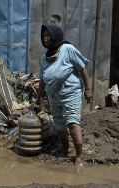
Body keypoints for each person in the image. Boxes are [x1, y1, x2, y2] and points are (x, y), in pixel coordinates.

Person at [36, 24, 92, 166]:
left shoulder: (68, 49)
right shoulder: (45, 58)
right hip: (54, 97)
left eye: (48, 35)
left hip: (70, 94)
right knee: (60, 126)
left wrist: (88, 89)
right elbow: (42, 79)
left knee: (72, 124)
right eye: (44, 36)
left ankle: (79, 155)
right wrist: (38, 97)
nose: (46, 38)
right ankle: (65, 149)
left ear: (55, 36)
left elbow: (82, 68)